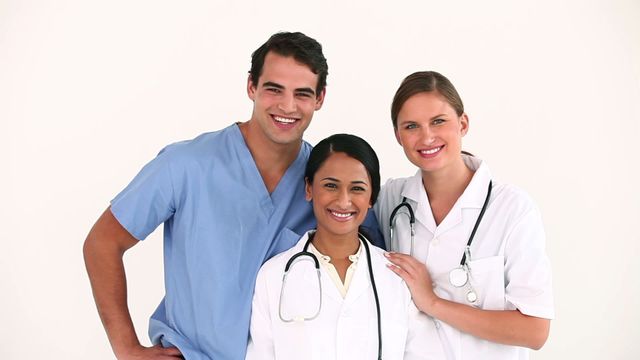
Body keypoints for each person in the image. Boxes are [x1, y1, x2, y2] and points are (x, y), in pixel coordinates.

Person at [83, 32, 351, 360]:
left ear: (320, 98)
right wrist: (125, 347)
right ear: (251, 86)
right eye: (274, 89)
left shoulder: (328, 185)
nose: (287, 106)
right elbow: (102, 243)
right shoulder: (185, 165)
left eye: (303, 94)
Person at [375, 71, 554, 359]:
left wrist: (432, 302)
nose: (426, 136)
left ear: (463, 123)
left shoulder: (512, 209)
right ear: (398, 136)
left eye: (438, 121)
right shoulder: (391, 201)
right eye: (411, 126)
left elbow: (534, 331)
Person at [246, 134, 445, 360]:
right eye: (331, 185)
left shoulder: (398, 277)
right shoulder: (273, 276)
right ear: (309, 189)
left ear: (372, 198)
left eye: (357, 189)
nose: (343, 201)